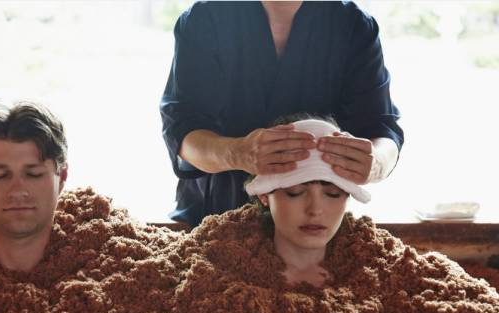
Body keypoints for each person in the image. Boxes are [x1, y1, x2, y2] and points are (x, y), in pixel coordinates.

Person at [160, 1, 403, 226]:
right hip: (214, 217)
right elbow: (183, 131)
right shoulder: (205, 18)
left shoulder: (354, 25)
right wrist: (237, 153)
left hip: (316, 226)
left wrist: (376, 163)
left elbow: (381, 129)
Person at [245, 116, 370, 288]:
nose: (315, 210)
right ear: (264, 195)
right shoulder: (221, 275)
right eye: (295, 192)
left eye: (333, 194)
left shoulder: (383, 275)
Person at [0, 101, 68, 272]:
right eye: (0, 176)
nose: (17, 191)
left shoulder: (117, 269)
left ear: (62, 177)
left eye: (34, 174)